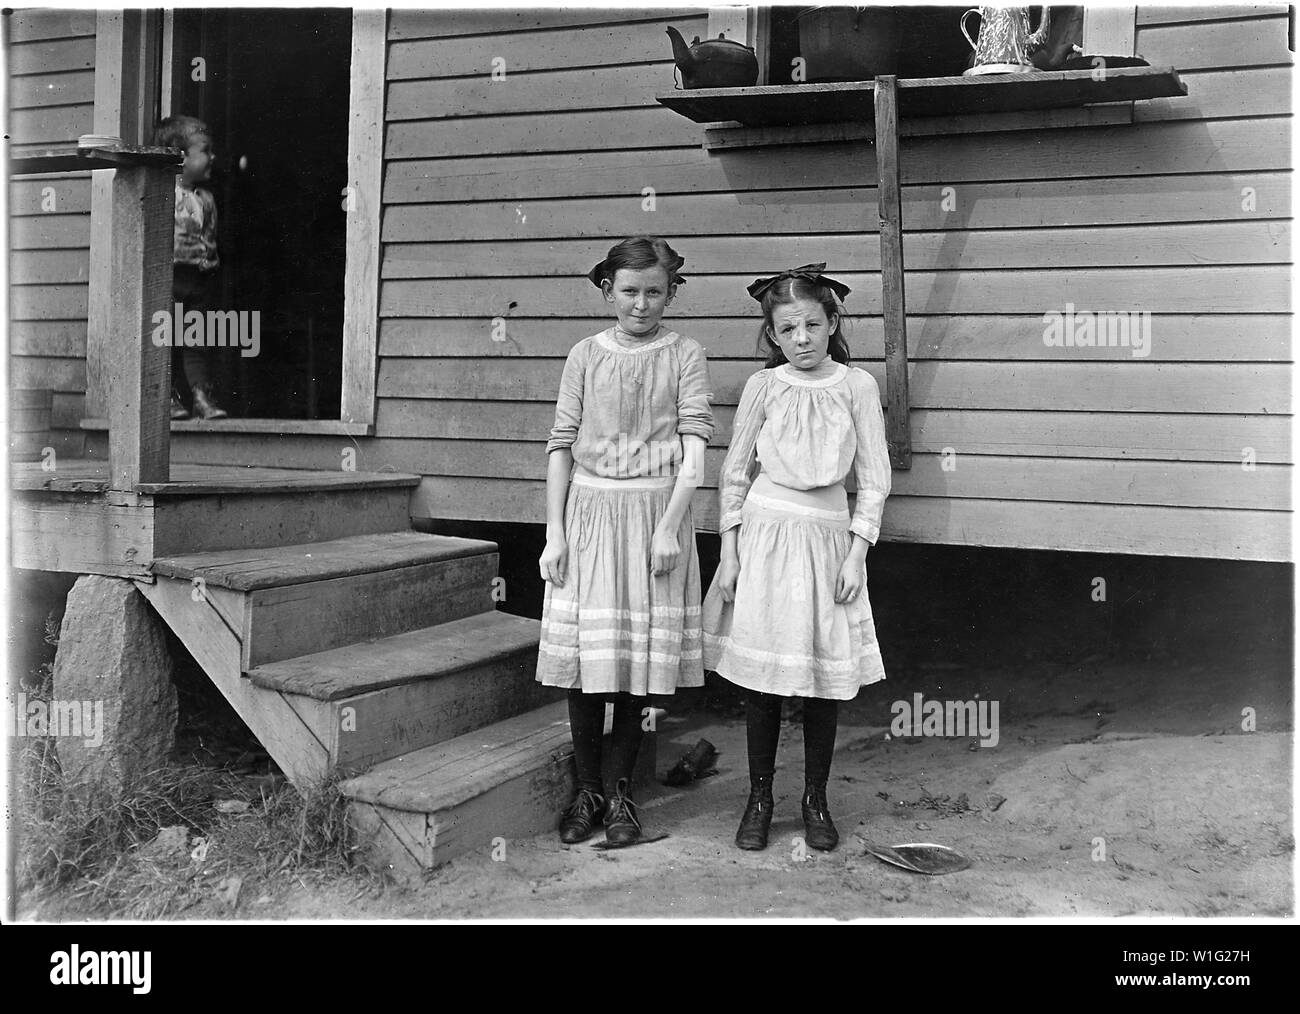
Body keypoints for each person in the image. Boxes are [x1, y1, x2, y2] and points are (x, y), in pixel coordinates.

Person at [701, 263, 891, 852]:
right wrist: (729, 554)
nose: (802, 338)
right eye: (787, 329)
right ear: (773, 335)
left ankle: (815, 800)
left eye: (812, 324)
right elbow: (734, 475)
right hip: (765, 537)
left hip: (827, 539)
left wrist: (857, 554)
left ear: (833, 322)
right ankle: (759, 799)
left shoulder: (857, 386)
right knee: (763, 681)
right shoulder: (765, 387)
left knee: (818, 679)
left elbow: (875, 479)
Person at [537, 236, 713, 846]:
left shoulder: (685, 353)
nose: (642, 304)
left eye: (655, 292)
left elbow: (695, 446)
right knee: (589, 668)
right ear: (608, 290)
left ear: (670, 294)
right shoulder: (584, 354)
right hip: (587, 520)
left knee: (635, 669)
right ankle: (586, 791)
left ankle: (620, 797)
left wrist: (670, 527)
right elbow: (561, 446)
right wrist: (555, 535)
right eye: (630, 291)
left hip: (652, 521)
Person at [154, 114, 228, 420]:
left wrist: (210, 264)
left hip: (198, 280)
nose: (213, 156)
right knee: (167, 340)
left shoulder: (206, 199)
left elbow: (209, 238)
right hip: (169, 279)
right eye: (206, 150)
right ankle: (165, 399)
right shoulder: (163, 194)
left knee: (196, 340)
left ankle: (201, 397)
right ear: (180, 156)